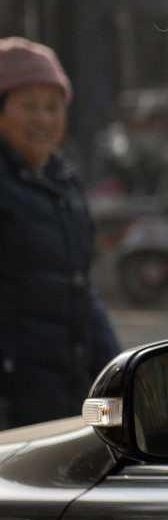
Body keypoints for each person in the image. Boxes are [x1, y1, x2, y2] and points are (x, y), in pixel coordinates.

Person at [0, 37, 121, 429]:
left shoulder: (63, 183)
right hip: (13, 416)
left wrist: (118, 394)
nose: (44, 119)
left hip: (69, 403)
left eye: (53, 107)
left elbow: (81, 290)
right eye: (29, 105)